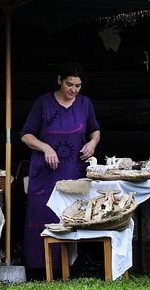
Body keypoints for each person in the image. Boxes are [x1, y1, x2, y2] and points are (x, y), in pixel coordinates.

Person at [20, 63, 100, 276]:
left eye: (78, 86)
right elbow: (26, 134)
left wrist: (92, 144)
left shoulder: (85, 104)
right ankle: (39, 269)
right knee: (44, 216)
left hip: (74, 171)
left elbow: (95, 131)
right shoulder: (43, 103)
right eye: (69, 84)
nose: (73, 89)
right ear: (59, 81)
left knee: (73, 217)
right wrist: (45, 147)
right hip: (45, 173)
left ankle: (73, 268)